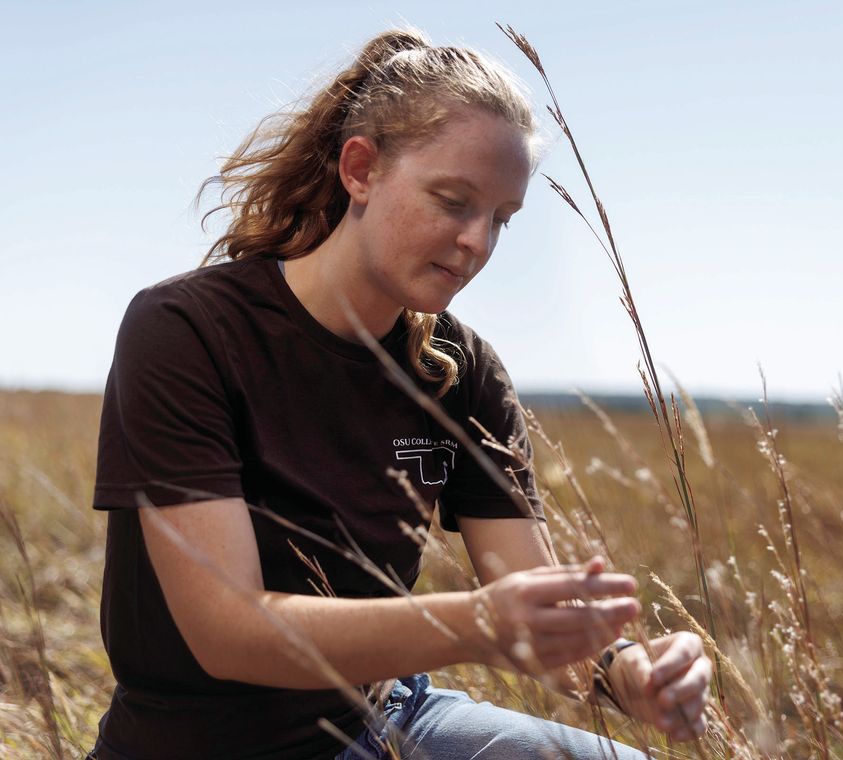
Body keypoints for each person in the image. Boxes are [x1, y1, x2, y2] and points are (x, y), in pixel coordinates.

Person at [87, 27, 712, 760]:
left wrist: (623, 673)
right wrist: (473, 624)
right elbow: (227, 632)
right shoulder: (185, 330)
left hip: (389, 723)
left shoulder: (462, 368)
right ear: (360, 169)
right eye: (453, 201)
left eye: (501, 220)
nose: (478, 242)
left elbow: (532, 610)